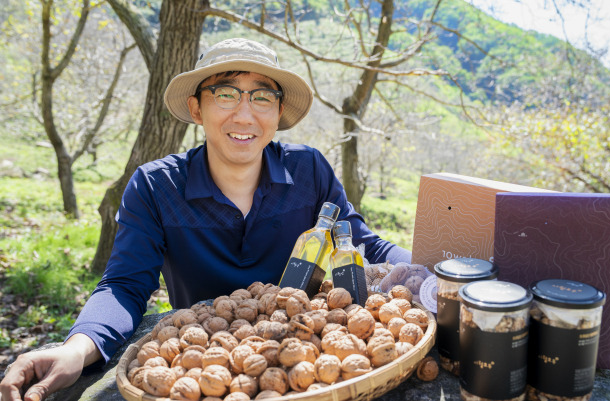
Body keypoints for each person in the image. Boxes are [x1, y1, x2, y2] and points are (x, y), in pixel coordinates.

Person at [0, 38, 410, 401]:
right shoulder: (156, 188)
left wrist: (431, 267)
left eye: (261, 97)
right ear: (197, 107)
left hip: (303, 358)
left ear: (279, 110)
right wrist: (77, 348)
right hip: (205, 373)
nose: (245, 115)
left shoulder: (309, 172)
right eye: (226, 94)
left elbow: (362, 244)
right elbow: (125, 285)